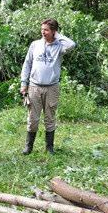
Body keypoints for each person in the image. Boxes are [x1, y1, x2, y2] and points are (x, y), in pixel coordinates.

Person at [20, 18, 76, 155]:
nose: (43, 32)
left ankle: (49, 147)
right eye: (42, 29)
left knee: (50, 118)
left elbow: (72, 44)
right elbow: (27, 64)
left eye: (46, 30)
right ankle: (29, 147)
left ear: (54, 32)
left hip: (52, 87)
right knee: (33, 118)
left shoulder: (60, 46)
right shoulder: (35, 45)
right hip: (34, 87)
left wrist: (57, 36)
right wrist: (23, 83)